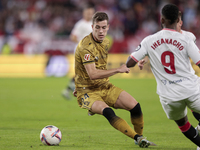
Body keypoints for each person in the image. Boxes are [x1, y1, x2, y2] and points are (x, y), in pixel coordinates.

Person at [73, 11, 155, 148]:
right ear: (92, 27)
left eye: (104, 27)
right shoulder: (85, 47)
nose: (101, 31)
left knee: (135, 107)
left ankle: (140, 138)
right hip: (87, 92)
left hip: (104, 86)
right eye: (97, 27)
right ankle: (138, 138)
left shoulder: (106, 41)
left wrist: (139, 59)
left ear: (108, 27)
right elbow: (92, 74)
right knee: (108, 112)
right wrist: (118, 69)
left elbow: (97, 64)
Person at [126, 4, 200, 147]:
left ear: (162, 20)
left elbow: (129, 63)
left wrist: (145, 55)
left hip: (169, 95)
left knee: (183, 124)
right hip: (191, 88)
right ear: (178, 20)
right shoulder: (187, 39)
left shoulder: (149, 40)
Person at [62, 4, 95, 100]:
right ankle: (85, 93)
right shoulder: (80, 24)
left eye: (91, 13)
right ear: (84, 13)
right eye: (88, 13)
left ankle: (69, 89)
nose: (89, 14)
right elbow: (72, 37)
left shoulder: (93, 23)